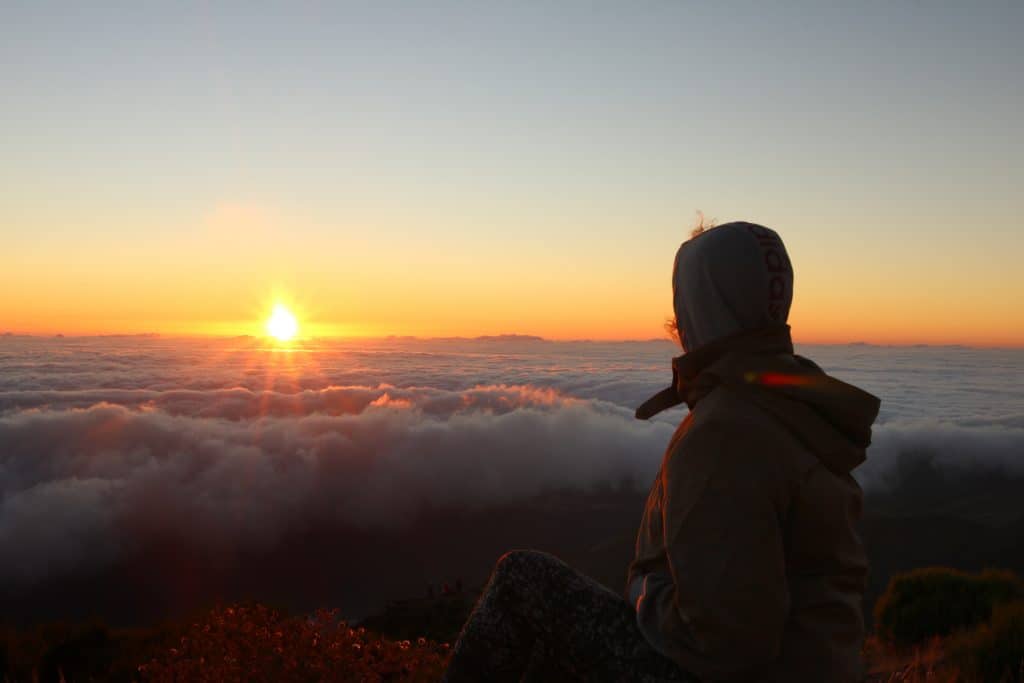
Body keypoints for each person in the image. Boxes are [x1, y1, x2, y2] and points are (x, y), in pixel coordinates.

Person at [442, 221, 880, 682]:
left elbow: (730, 642)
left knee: (523, 581)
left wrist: (642, 590)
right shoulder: (796, 402)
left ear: (700, 310)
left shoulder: (724, 435)